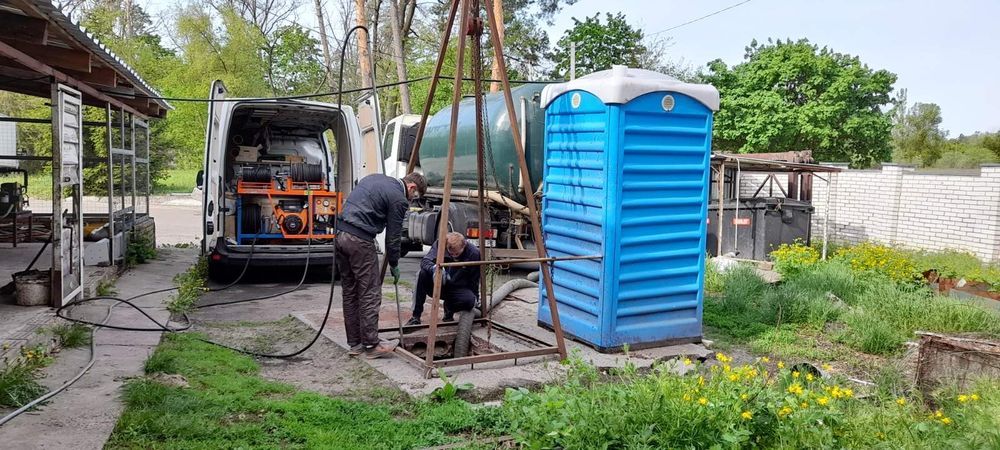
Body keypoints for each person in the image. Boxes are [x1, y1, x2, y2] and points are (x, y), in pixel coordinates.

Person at [336, 172, 426, 358]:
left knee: (350, 292)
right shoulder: (399, 199)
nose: (411, 202)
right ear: (411, 188)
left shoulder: (375, 178)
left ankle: (355, 343)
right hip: (360, 240)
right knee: (370, 292)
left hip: (340, 235)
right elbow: (393, 238)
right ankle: (371, 345)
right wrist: (394, 263)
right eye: (413, 197)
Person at [406, 232, 481, 326]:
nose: (454, 256)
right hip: (439, 284)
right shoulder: (440, 244)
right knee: (422, 274)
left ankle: (449, 308)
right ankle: (415, 316)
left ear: (464, 245)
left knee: (469, 301)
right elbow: (425, 261)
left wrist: (475, 299)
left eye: (457, 254)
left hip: (458, 288)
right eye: (451, 254)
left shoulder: (474, 253)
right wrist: (434, 269)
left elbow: (474, 280)